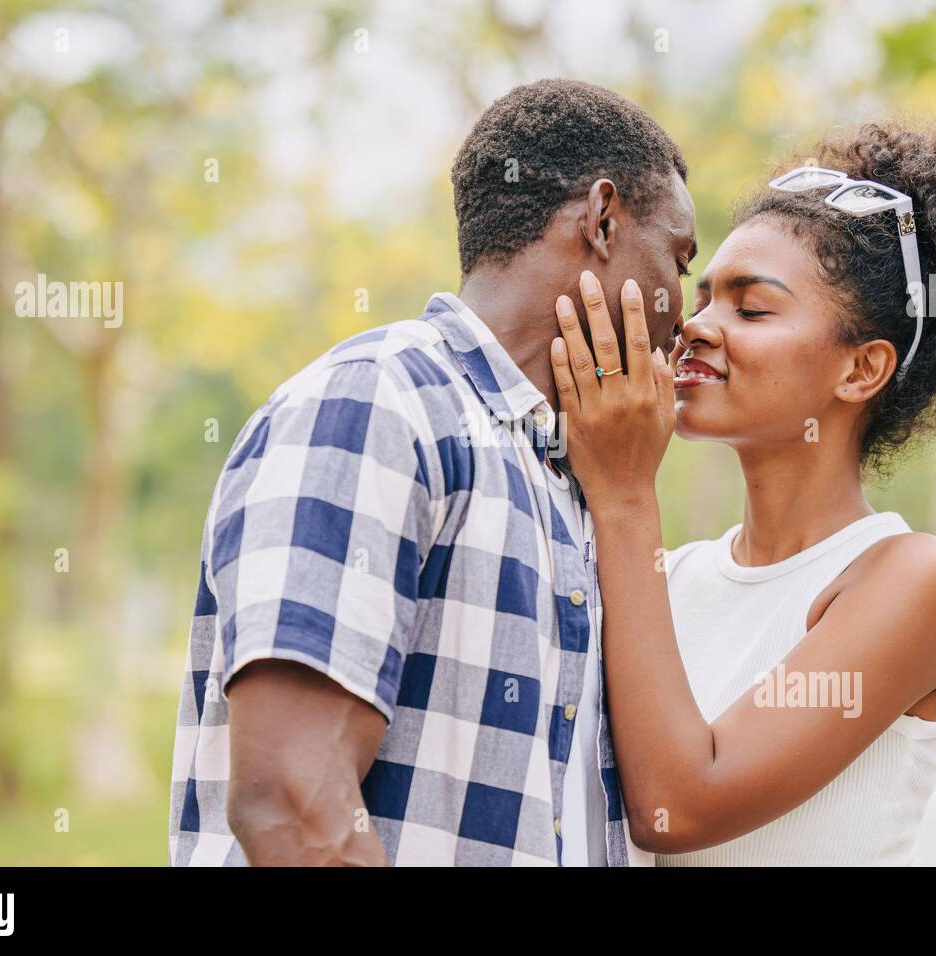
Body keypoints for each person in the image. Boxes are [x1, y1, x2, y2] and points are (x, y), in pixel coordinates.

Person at [169, 78, 697, 866]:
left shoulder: (564, 474)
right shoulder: (378, 404)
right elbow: (292, 803)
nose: (681, 312)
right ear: (603, 217)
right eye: (679, 260)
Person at [547, 114, 936, 864]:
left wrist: (623, 492)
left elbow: (678, 805)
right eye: (703, 297)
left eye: (752, 307)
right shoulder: (669, 579)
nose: (697, 327)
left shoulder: (916, 579)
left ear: (860, 369)